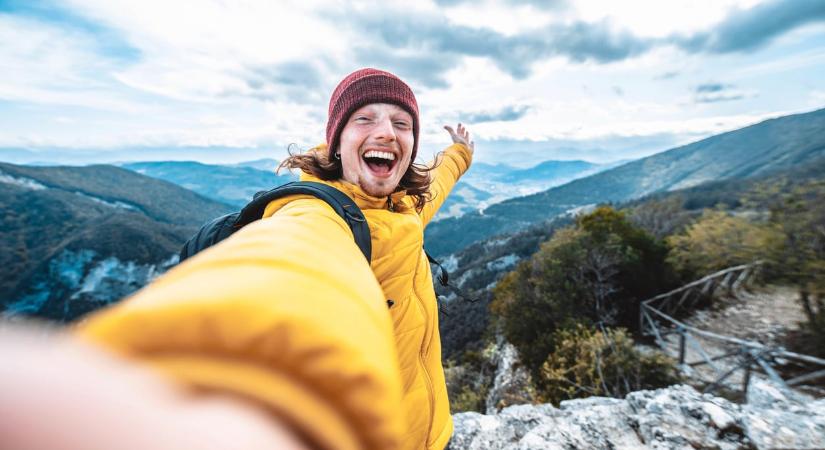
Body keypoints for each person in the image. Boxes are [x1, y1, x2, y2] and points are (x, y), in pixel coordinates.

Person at [0, 68, 473, 450]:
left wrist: (459, 153)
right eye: (365, 119)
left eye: (402, 123)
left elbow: (438, 183)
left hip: (434, 432)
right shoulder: (316, 214)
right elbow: (286, 264)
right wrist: (208, 377)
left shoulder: (402, 204)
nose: (387, 132)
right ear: (336, 140)